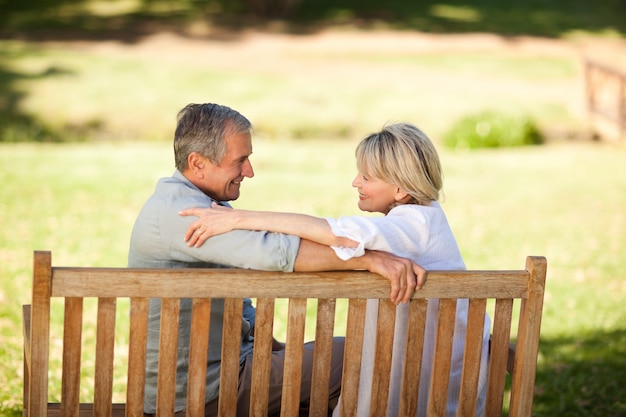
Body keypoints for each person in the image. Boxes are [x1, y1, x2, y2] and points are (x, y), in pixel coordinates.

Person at [127, 103, 425, 417]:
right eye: (240, 160)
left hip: (214, 377)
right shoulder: (186, 214)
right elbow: (277, 251)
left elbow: (240, 302)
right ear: (197, 163)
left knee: (342, 357)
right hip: (201, 393)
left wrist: (273, 346)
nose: (249, 171)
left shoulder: (196, 205)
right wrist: (370, 260)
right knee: (365, 353)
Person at [180, 122, 492, 417]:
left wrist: (237, 219)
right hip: (441, 382)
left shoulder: (412, 226)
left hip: (423, 392)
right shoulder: (426, 219)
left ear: (399, 190)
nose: (356, 182)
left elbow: (335, 233)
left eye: (367, 176)